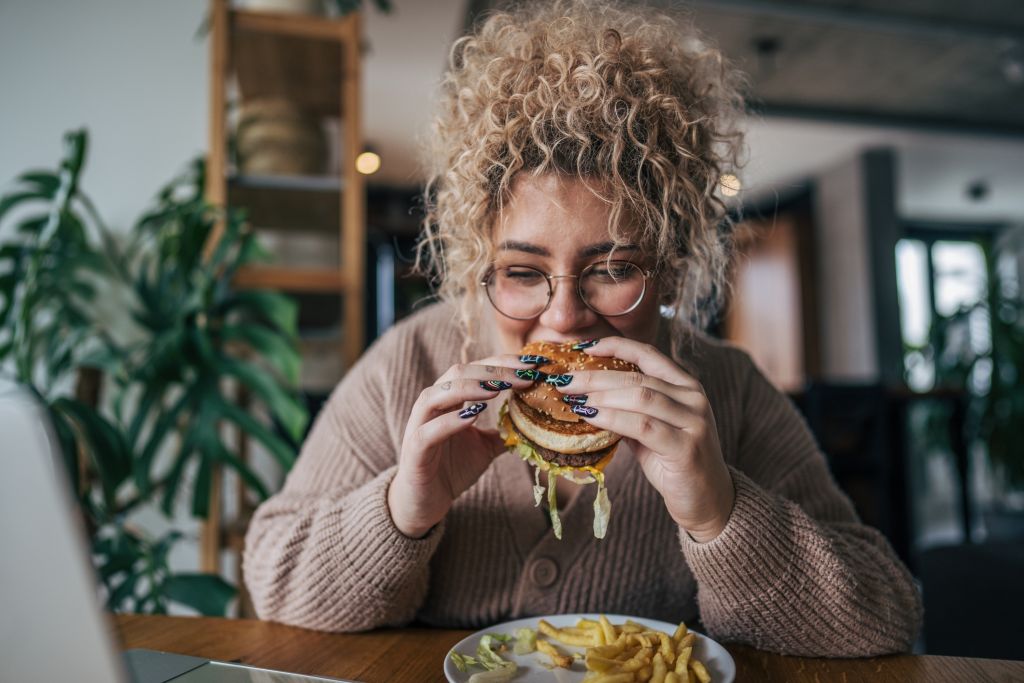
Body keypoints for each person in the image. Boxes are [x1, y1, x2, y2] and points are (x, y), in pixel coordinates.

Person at [244, 0, 922, 656]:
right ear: (477, 262)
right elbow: (275, 581)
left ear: (672, 269)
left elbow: (884, 613)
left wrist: (721, 511)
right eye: (521, 271)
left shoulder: (726, 389)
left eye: (614, 266)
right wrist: (403, 507)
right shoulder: (409, 366)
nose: (565, 315)